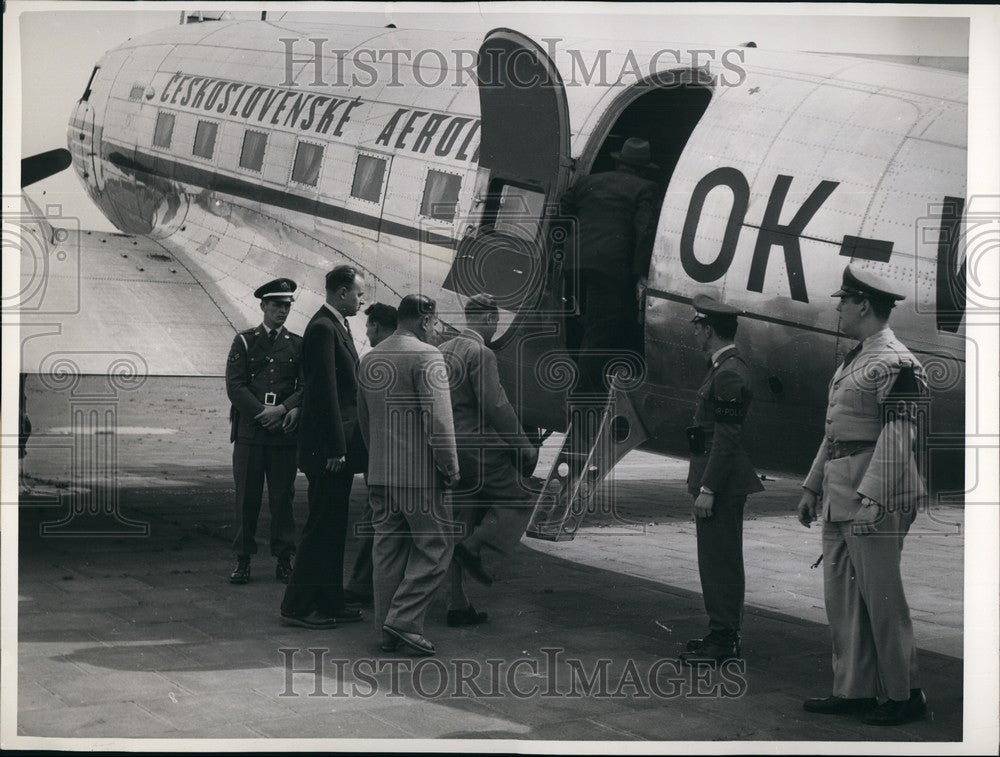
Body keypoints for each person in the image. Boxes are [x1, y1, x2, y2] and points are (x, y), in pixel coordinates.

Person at [798, 264, 929, 726]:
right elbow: (835, 431)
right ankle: (853, 690)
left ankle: (904, 694)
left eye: (844, 300)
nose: (837, 307)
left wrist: (875, 496)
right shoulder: (855, 358)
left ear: (864, 306)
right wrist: (812, 486)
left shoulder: (896, 362)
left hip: (874, 493)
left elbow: (899, 434)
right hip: (840, 492)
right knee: (845, 598)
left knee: (882, 599)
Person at [357, 294, 460, 656]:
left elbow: (365, 422)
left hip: (381, 472)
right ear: (424, 320)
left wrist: (378, 464)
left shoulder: (370, 358)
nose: (435, 330)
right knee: (436, 548)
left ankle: (386, 631)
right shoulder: (427, 355)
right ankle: (402, 621)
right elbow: (440, 421)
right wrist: (449, 466)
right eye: (434, 324)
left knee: (386, 552)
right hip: (418, 476)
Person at [439, 294, 539, 625]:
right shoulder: (481, 353)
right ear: (491, 320)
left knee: (461, 520)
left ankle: (458, 604)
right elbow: (496, 406)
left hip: (450, 452)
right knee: (523, 498)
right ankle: (474, 545)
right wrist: (523, 445)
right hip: (479, 452)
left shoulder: (445, 349)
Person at [279, 265, 367, 630]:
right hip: (329, 452)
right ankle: (297, 606)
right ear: (341, 292)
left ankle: (330, 599)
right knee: (320, 527)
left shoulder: (336, 326)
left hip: (338, 450)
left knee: (332, 526)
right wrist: (334, 448)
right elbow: (324, 393)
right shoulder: (321, 329)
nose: (362, 301)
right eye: (359, 294)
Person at [679, 294, 764, 665]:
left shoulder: (728, 372)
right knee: (718, 559)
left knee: (720, 562)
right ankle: (721, 632)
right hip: (717, 478)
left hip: (721, 484)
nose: (694, 333)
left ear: (708, 329)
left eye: (696, 326)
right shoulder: (725, 365)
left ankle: (724, 638)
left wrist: (709, 488)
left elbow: (727, 438)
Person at [559, 136, 659, 395]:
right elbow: (645, 231)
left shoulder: (588, 181)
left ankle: (576, 378)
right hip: (609, 269)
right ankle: (583, 395)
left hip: (574, 265)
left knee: (580, 323)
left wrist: (569, 245)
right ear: (643, 168)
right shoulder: (645, 189)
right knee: (600, 331)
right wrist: (641, 275)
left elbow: (562, 209)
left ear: (620, 163)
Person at [225, 278, 303, 585]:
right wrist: (262, 414)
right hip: (251, 434)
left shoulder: (297, 344)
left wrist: (284, 409)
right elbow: (235, 386)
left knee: (283, 498)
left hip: (283, 433)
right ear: (263, 306)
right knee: (247, 498)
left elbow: (305, 385)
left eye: (286, 306)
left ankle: (284, 558)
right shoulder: (244, 341)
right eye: (276, 306)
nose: (281, 311)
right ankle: (243, 559)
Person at [343, 302, 399, 607]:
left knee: (376, 519)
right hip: (409, 461)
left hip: (378, 458)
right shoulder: (420, 356)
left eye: (368, 327)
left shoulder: (370, 361)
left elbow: (362, 416)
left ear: (377, 326)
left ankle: (363, 583)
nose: (367, 332)